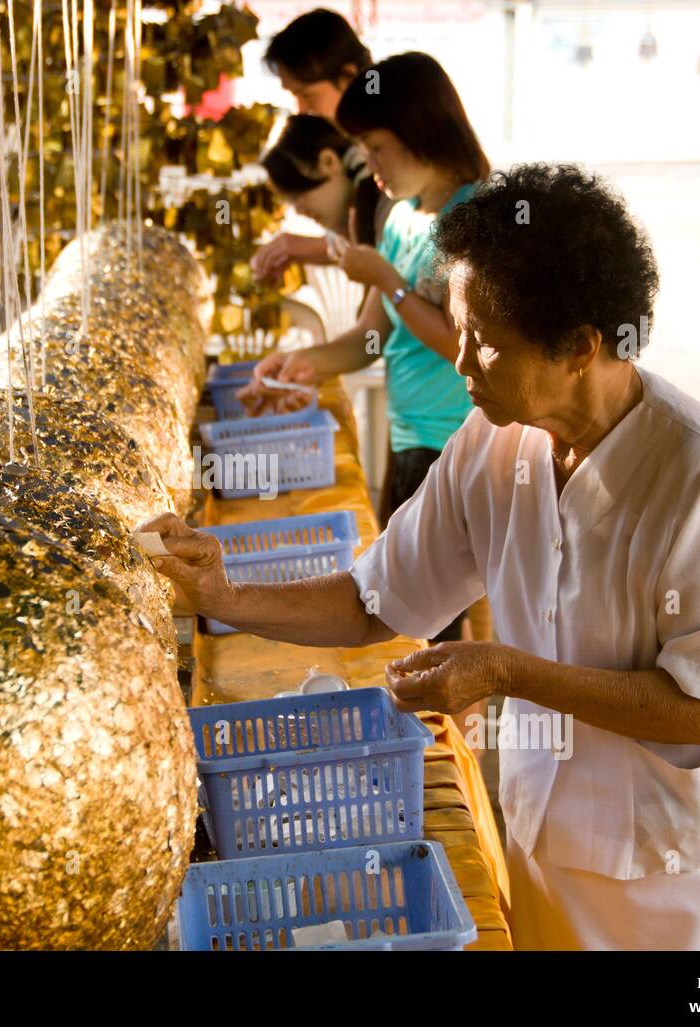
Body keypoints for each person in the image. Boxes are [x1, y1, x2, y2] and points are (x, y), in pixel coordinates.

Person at [142, 164, 700, 950]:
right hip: (559, 836)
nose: (459, 361)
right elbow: (376, 598)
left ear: (579, 348)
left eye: (485, 343)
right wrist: (226, 596)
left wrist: (507, 671)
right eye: (456, 328)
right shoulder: (494, 441)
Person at [241, 52, 490, 641]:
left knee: (435, 625)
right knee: (409, 614)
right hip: (409, 439)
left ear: (420, 132)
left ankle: (450, 730)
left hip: (455, 439)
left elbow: (464, 344)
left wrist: (390, 282)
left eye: (378, 148)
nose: (370, 166)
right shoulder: (402, 218)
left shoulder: (474, 217)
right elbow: (375, 338)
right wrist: (303, 365)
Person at [252, 10, 385, 281]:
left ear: (347, 77)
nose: (300, 110)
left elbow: (384, 249)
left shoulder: (386, 141)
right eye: (294, 96)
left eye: (307, 95)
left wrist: (303, 246)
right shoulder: (354, 141)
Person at [252, 115, 382, 284]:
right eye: (290, 201)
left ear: (329, 162)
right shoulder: (364, 216)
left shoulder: (385, 209)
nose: (299, 210)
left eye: (299, 195)